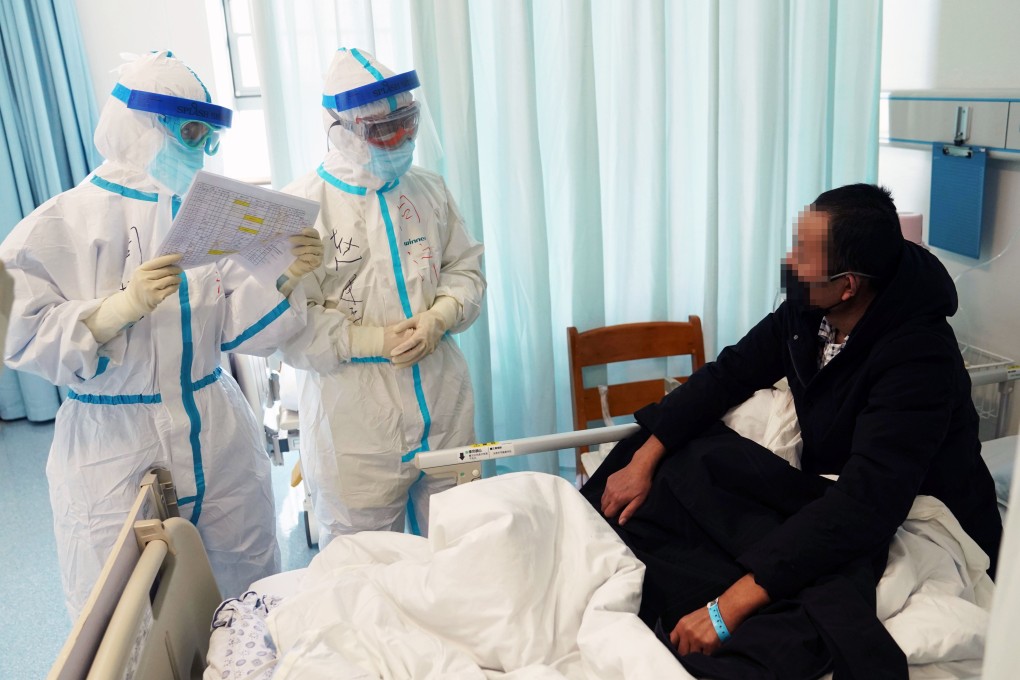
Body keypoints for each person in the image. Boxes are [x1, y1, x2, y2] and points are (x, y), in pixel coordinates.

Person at [582, 184, 1002, 678]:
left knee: (808, 605)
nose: (789, 260)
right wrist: (645, 457)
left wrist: (728, 608)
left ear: (847, 284)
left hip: (914, 512)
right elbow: (728, 375)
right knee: (680, 456)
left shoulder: (917, 358)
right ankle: (595, 560)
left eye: (802, 253)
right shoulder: (809, 311)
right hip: (833, 487)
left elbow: (868, 504)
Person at [0, 51, 323, 617]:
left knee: (246, 574)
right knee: (124, 605)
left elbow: (238, 328)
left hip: (215, 419)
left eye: (208, 136)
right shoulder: (59, 223)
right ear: (141, 127)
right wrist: (113, 311)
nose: (201, 149)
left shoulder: (206, 215)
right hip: (112, 438)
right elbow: (14, 326)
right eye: (191, 131)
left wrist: (288, 274)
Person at [279, 48, 485, 547]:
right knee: (365, 571)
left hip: (443, 404)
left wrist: (440, 316)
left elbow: (466, 270)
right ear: (341, 130)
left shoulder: (429, 190)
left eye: (407, 122)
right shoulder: (299, 207)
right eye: (382, 129)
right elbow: (287, 327)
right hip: (355, 423)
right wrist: (372, 339)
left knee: (462, 550)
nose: (400, 139)